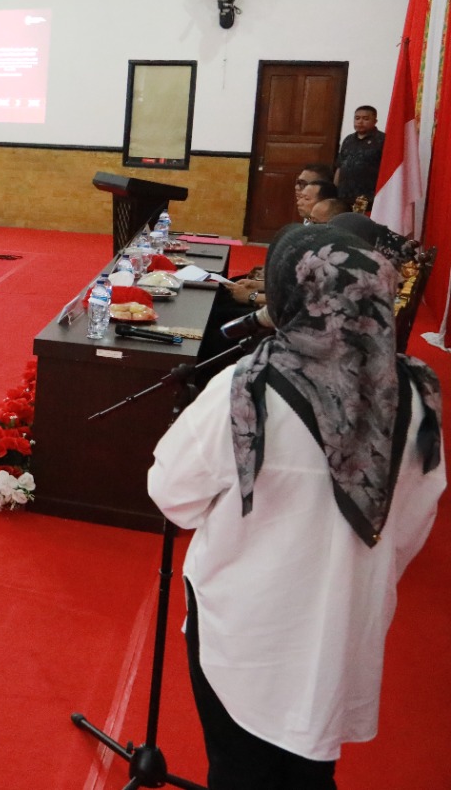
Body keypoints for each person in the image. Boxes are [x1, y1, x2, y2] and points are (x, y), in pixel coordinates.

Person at [149, 225, 444, 788]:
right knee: (311, 771)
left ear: (291, 296)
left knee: (238, 767)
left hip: (247, 628)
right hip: (345, 622)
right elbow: (410, 525)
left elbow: (174, 496)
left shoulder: (250, 387)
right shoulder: (416, 395)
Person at [335, 105, 385, 211]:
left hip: (368, 197)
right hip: (344, 195)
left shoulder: (382, 140)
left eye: (365, 119)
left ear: (375, 121)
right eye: (357, 118)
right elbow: (340, 166)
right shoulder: (348, 140)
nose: (360, 122)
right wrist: (335, 189)